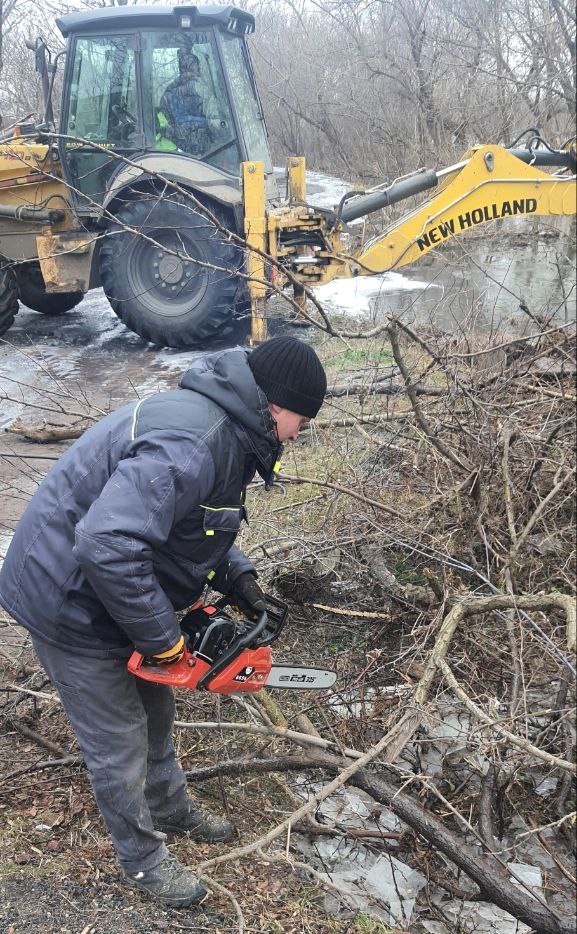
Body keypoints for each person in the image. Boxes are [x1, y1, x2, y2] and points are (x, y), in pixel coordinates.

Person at [0, 337, 327, 908]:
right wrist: (165, 643)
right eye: (302, 420)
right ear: (276, 406)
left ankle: (170, 806)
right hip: (67, 598)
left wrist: (239, 579)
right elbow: (106, 543)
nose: (299, 434)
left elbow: (190, 529)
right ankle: (143, 861)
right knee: (118, 741)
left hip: (113, 590)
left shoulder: (228, 432)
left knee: (156, 708)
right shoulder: (195, 441)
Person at [157, 51, 210, 154]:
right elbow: (181, 125)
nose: (198, 74)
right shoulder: (171, 96)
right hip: (178, 150)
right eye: (195, 70)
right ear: (185, 71)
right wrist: (208, 122)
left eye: (198, 70)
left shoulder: (194, 93)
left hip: (195, 146)